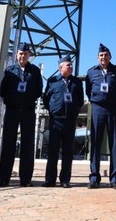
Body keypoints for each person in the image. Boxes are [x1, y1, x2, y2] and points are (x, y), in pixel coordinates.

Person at [0, 43, 43, 187]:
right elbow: (3, 90)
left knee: (27, 146)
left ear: (29, 56)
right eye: (21, 53)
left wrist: (27, 99)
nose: (23, 56)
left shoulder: (34, 71)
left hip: (28, 111)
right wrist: (13, 101)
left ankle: (26, 179)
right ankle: (3, 178)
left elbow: (38, 90)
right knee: (8, 144)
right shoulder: (10, 70)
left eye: (26, 54)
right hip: (12, 110)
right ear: (17, 54)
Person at [85, 43, 116, 189]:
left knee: (115, 143)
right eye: (101, 55)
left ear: (110, 57)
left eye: (106, 55)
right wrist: (97, 100)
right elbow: (88, 90)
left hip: (113, 109)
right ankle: (94, 178)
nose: (104, 57)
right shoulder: (91, 72)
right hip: (97, 109)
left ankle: (115, 179)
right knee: (95, 143)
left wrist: (113, 100)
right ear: (97, 57)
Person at [42, 56, 85, 187]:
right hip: (56, 121)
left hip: (69, 121)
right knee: (53, 151)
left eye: (71, 65)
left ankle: (65, 179)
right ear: (60, 68)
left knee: (67, 152)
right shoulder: (52, 81)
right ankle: (50, 179)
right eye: (68, 65)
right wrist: (54, 111)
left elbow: (80, 100)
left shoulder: (76, 82)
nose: (71, 67)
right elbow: (46, 99)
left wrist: (73, 112)